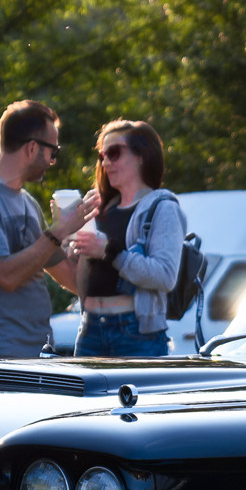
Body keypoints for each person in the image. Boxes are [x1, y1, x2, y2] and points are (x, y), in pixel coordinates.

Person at [0, 99, 91, 359]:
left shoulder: (28, 203)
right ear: (32, 147)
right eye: (53, 152)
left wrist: (85, 240)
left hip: (38, 353)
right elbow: (6, 276)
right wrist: (57, 231)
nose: (53, 161)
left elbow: (69, 276)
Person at [63, 120, 187, 357]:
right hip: (89, 329)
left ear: (142, 155)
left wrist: (110, 251)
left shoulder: (163, 207)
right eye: (103, 155)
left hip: (136, 333)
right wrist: (68, 236)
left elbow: (165, 276)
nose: (106, 162)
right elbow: (79, 267)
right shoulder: (99, 206)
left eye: (114, 153)